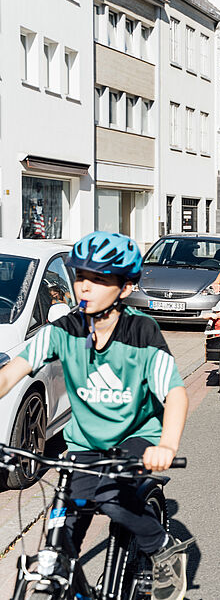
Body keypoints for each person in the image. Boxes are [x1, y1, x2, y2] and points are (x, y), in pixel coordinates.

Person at [0, 231, 194, 600]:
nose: (84, 287)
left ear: (124, 288)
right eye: (80, 277)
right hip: (84, 443)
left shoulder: (141, 332)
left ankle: (162, 548)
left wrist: (167, 444)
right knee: (62, 531)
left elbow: (175, 392)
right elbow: (13, 371)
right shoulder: (65, 329)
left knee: (110, 497)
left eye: (99, 279)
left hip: (136, 438)